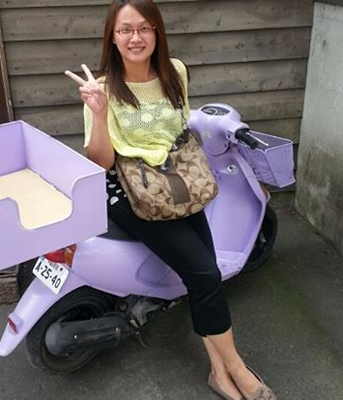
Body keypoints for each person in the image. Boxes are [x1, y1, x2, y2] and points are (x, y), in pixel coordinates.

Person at [65, 1, 276, 399]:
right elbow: (101, 161)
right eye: (126, 30)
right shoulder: (103, 89)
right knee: (205, 275)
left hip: (176, 183)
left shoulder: (175, 71)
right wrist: (99, 113)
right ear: (112, 37)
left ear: (157, 32)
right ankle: (236, 367)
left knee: (205, 273)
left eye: (144, 28)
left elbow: (180, 126)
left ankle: (219, 373)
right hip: (129, 191)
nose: (136, 37)